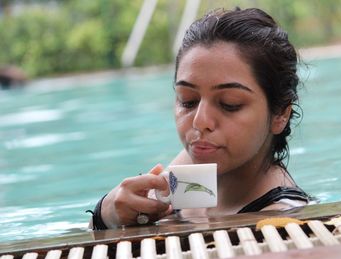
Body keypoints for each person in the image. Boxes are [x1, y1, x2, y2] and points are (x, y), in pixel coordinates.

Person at [88, 7, 314, 230]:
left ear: (280, 115)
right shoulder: (198, 159)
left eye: (229, 104)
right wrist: (106, 213)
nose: (199, 121)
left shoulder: (281, 220)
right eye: (187, 101)